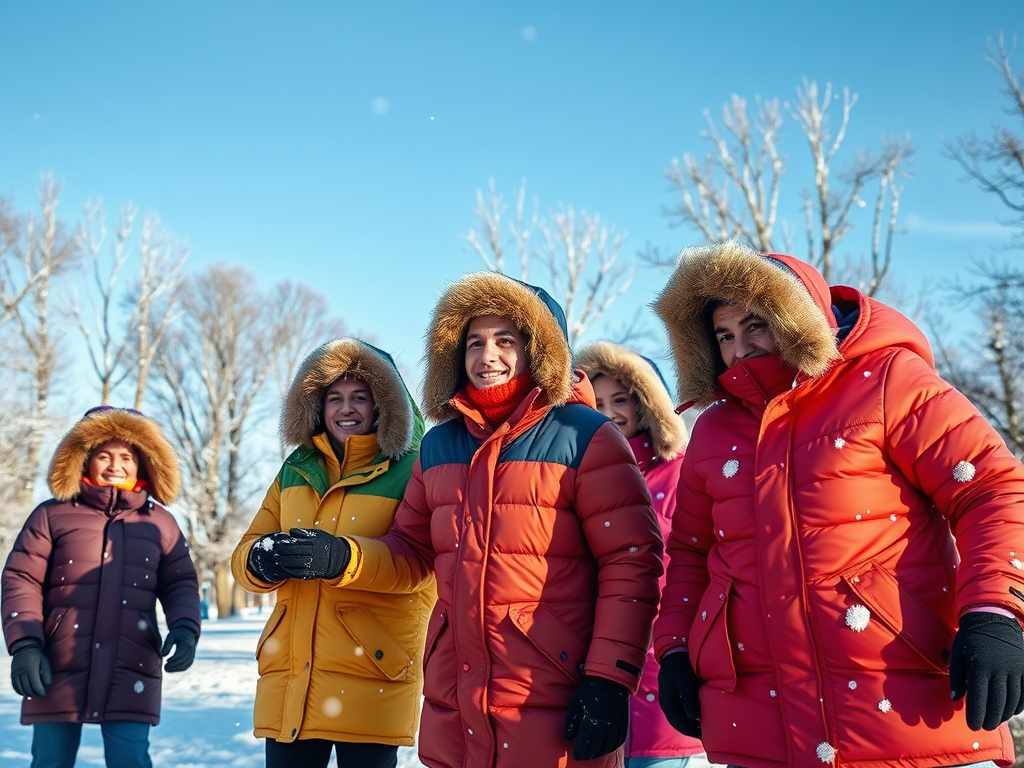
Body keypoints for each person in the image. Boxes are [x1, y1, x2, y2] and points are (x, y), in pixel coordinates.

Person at [651, 241, 1024, 768]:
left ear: (794, 316)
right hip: (761, 725)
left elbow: (991, 490)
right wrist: (674, 650)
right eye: (724, 335)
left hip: (908, 714)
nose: (740, 348)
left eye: (756, 324)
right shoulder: (714, 428)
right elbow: (689, 553)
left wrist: (996, 613)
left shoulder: (887, 380)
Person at [323, 272, 664, 767]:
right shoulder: (439, 445)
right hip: (455, 705)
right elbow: (411, 550)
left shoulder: (584, 434)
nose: (487, 357)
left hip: (553, 702)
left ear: (539, 349)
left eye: (506, 341)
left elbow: (631, 560)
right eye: (474, 342)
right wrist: (344, 556)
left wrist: (610, 678)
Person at [230, 338, 435, 768]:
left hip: (373, 670)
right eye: (334, 398)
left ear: (382, 406)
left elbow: (420, 564)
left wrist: (344, 559)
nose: (346, 409)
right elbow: (247, 549)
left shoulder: (414, 469)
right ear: (317, 408)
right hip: (291, 676)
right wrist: (260, 561)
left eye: (359, 398)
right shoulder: (295, 470)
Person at [2, 405, 201, 768]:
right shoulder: (52, 515)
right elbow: (21, 577)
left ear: (142, 463)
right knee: (49, 760)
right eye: (104, 456)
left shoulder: (161, 523)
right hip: (56, 663)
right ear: (83, 460)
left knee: (130, 758)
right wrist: (26, 645)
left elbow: (180, 582)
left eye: (127, 456)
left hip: (132, 664)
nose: (115, 465)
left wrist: (186, 627)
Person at [576, 342, 703, 768]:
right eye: (597, 402)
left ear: (647, 405)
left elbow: (693, 562)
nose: (609, 412)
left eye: (621, 400)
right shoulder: (575, 477)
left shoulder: (680, 472)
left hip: (658, 665)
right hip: (589, 667)